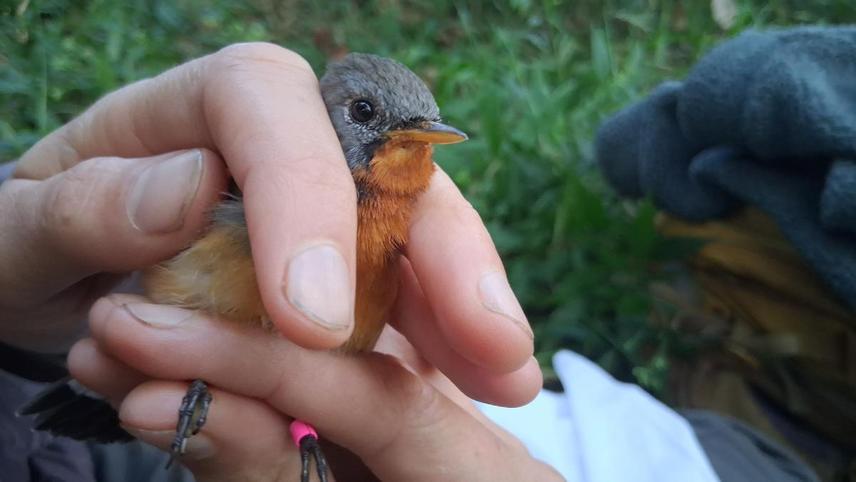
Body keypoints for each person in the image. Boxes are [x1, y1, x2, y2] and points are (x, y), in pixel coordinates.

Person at [0, 42, 560, 481]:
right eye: (365, 113)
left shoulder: (396, 227)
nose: (415, 136)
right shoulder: (256, 186)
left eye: (423, 126)